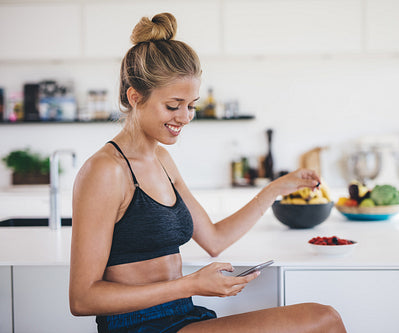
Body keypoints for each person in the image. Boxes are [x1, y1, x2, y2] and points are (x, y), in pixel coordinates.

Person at [69, 12, 346, 333]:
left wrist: (276, 189)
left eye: (191, 105)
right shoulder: (105, 171)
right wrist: (190, 284)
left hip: (183, 315)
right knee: (323, 319)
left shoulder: (162, 159)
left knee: (325, 317)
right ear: (135, 97)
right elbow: (82, 298)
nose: (185, 117)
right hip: (140, 327)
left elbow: (214, 239)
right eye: (173, 106)